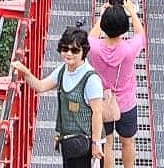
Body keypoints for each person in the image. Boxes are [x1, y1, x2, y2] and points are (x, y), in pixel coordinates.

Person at [12, 26, 105, 167]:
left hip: (86, 142)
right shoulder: (62, 70)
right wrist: (25, 72)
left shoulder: (91, 79)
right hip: (68, 141)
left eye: (75, 50)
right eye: (65, 49)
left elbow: (97, 113)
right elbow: (40, 86)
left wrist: (96, 144)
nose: (69, 54)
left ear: (84, 52)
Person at [88, 0, 145, 168]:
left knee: (108, 145)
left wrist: (102, 15)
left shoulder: (94, 47)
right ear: (124, 28)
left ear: (105, 26)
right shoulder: (129, 49)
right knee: (128, 143)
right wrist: (132, 12)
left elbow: (91, 35)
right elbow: (140, 34)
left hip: (102, 102)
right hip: (126, 103)